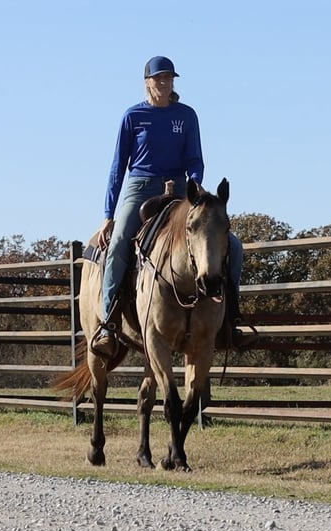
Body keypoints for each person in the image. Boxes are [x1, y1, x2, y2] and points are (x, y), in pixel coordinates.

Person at [91, 55, 257, 358]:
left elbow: (195, 159)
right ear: (147, 82)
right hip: (139, 186)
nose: (164, 83)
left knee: (233, 245)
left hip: (181, 189)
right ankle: (107, 325)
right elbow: (118, 168)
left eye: (169, 78)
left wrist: (195, 188)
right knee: (116, 246)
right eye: (159, 78)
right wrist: (107, 215)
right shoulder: (132, 116)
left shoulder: (187, 115)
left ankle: (232, 319)